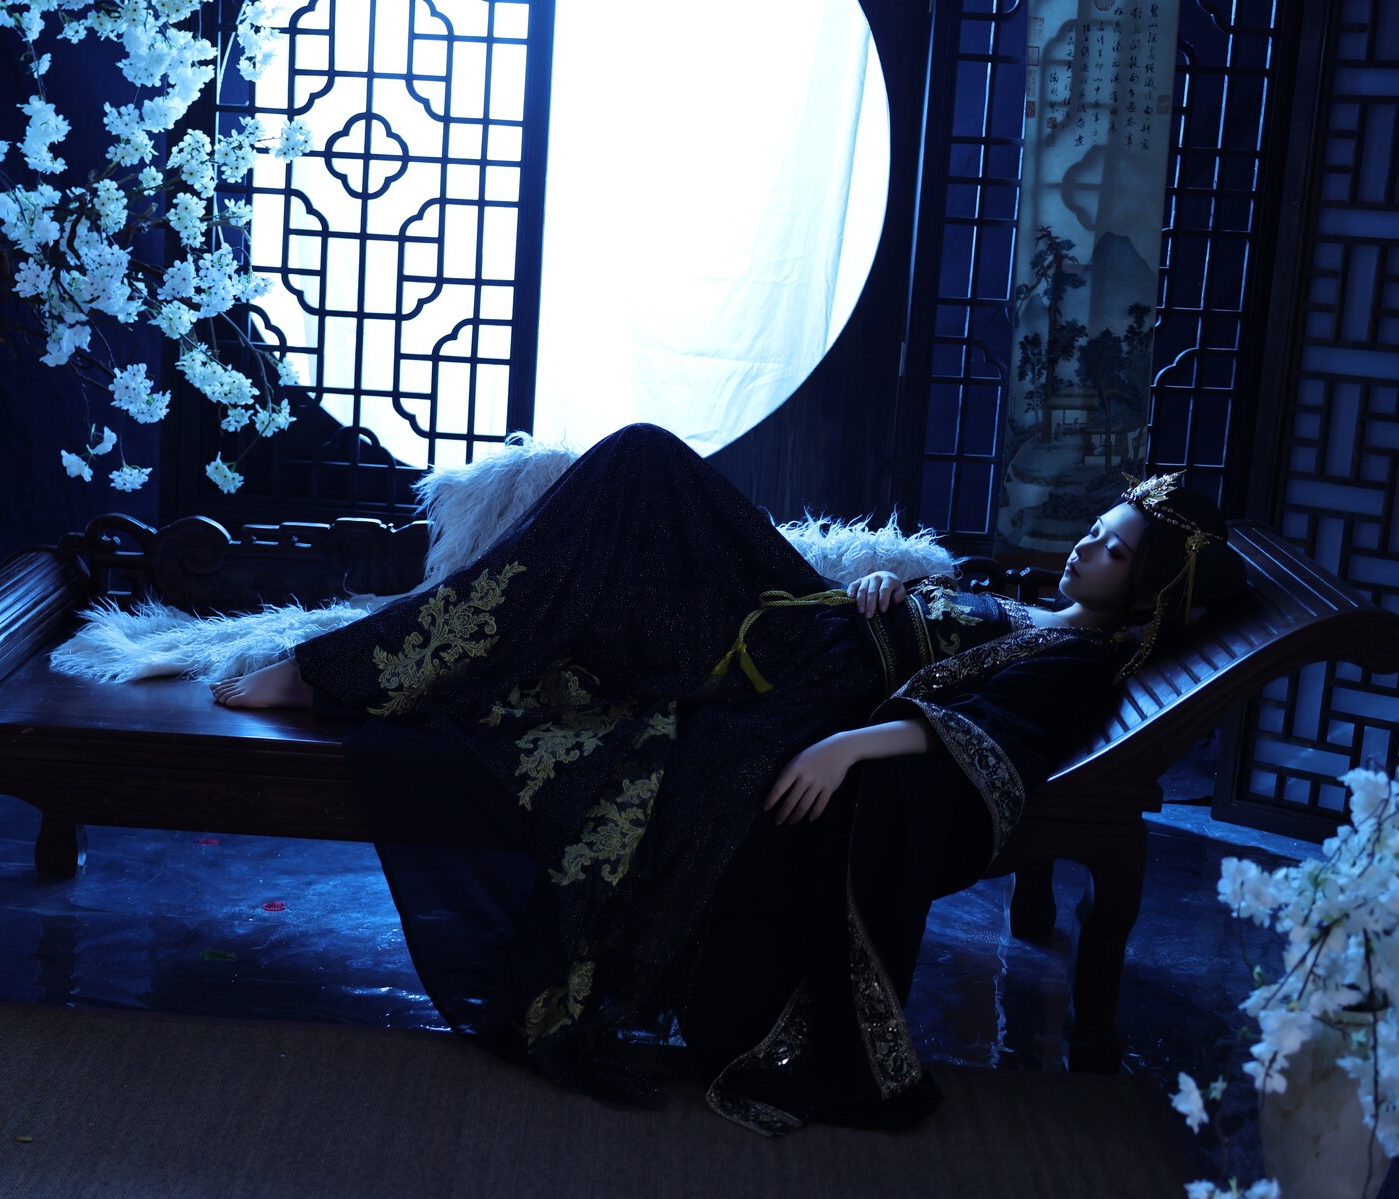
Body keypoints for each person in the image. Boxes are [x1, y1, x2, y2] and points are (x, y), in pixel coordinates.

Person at [208, 423, 1248, 1134]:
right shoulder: (1027, 604)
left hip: (797, 700)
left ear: (1148, 592)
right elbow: (935, 644)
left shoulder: (1077, 660)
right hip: (798, 629)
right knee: (640, 462)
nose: (1086, 549)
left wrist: (846, 747)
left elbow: (991, 738)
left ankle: (337, 670)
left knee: (633, 478)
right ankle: (353, 663)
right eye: (1097, 531)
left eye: (1114, 553)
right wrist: (887, 588)